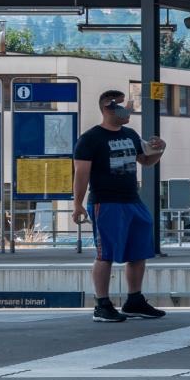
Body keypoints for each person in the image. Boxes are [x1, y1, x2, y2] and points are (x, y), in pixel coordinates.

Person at [72, 89, 168, 323]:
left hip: (132, 200)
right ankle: (101, 305)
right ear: (108, 108)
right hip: (106, 202)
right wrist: (78, 204)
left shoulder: (131, 134)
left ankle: (134, 301)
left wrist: (159, 150)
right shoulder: (90, 139)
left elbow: (146, 161)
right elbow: (81, 174)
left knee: (138, 251)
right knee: (106, 254)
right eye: (123, 107)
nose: (128, 111)